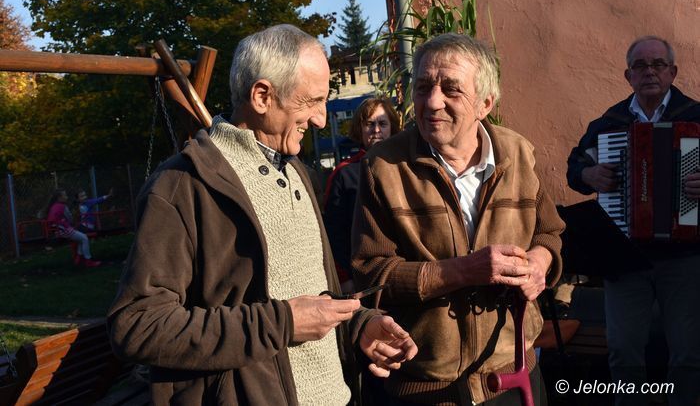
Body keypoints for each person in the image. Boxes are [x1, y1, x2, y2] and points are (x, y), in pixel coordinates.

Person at [108, 24, 417, 405]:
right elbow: (138, 326)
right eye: (312, 102)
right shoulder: (181, 186)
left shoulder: (297, 171)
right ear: (262, 96)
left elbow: (308, 300)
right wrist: (281, 323)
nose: (321, 119)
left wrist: (358, 326)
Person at [352, 33, 564, 405]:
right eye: (423, 87)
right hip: (429, 389)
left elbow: (549, 233)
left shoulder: (518, 153)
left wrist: (538, 263)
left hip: (514, 376)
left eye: (451, 89)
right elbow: (370, 275)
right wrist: (463, 271)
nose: (433, 102)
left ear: (485, 103)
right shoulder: (384, 167)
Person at [567, 35, 700, 406]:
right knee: (623, 349)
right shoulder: (609, 124)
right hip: (624, 256)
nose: (649, 72)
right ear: (628, 76)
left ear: (672, 72)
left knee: (689, 351)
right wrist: (589, 174)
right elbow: (575, 167)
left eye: (658, 64)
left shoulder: (695, 117)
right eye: (640, 66)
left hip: (685, 255)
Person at [324, 97, 400, 291]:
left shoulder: (405, 168)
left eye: (382, 123)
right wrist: (344, 279)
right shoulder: (343, 174)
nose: (376, 130)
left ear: (392, 127)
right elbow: (333, 233)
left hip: (402, 274)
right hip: (360, 281)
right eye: (369, 124)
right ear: (360, 129)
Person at [45, 189, 101, 267]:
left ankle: (79, 259)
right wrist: (71, 221)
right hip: (62, 229)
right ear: (59, 198)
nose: (67, 197)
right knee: (84, 238)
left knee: (81, 238)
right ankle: (88, 261)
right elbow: (70, 218)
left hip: (57, 229)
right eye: (65, 195)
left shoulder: (54, 206)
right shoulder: (63, 206)